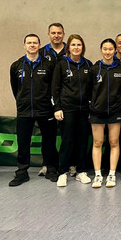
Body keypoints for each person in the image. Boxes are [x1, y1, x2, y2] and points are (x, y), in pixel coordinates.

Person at [8, 34, 57, 186]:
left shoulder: (48, 65)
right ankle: (22, 172)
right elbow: (15, 88)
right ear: (24, 46)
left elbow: (53, 87)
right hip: (24, 110)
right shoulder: (16, 66)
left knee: (49, 141)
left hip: (45, 109)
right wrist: (22, 101)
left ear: (39, 45)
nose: (32, 45)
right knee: (23, 142)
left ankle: (51, 168)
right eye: (29, 43)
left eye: (35, 43)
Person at [52, 34, 93, 186]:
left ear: (83, 47)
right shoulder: (61, 64)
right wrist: (57, 107)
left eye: (79, 45)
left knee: (83, 141)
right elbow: (55, 88)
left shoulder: (88, 64)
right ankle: (62, 172)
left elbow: (92, 88)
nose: (76, 47)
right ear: (68, 47)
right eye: (73, 45)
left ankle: (81, 171)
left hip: (84, 109)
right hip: (67, 108)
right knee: (67, 141)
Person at [87, 38, 121, 188]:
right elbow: (88, 90)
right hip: (97, 112)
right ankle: (98, 175)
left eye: (110, 49)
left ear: (115, 50)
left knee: (114, 142)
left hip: (115, 112)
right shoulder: (94, 69)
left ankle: (111, 174)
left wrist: (119, 103)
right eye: (105, 49)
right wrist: (93, 105)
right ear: (101, 50)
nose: (108, 52)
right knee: (97, 142)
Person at [37, 22, 66, 177]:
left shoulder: (70, 51)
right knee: (48, 135)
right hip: (46, 102)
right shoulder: (41, 52)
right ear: (48, 35)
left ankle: (69, 164)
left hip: (66, 100)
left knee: (68, 135)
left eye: (59, 33)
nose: (56, 35)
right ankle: (48, 164)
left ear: (63, 34)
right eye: (53, 33)